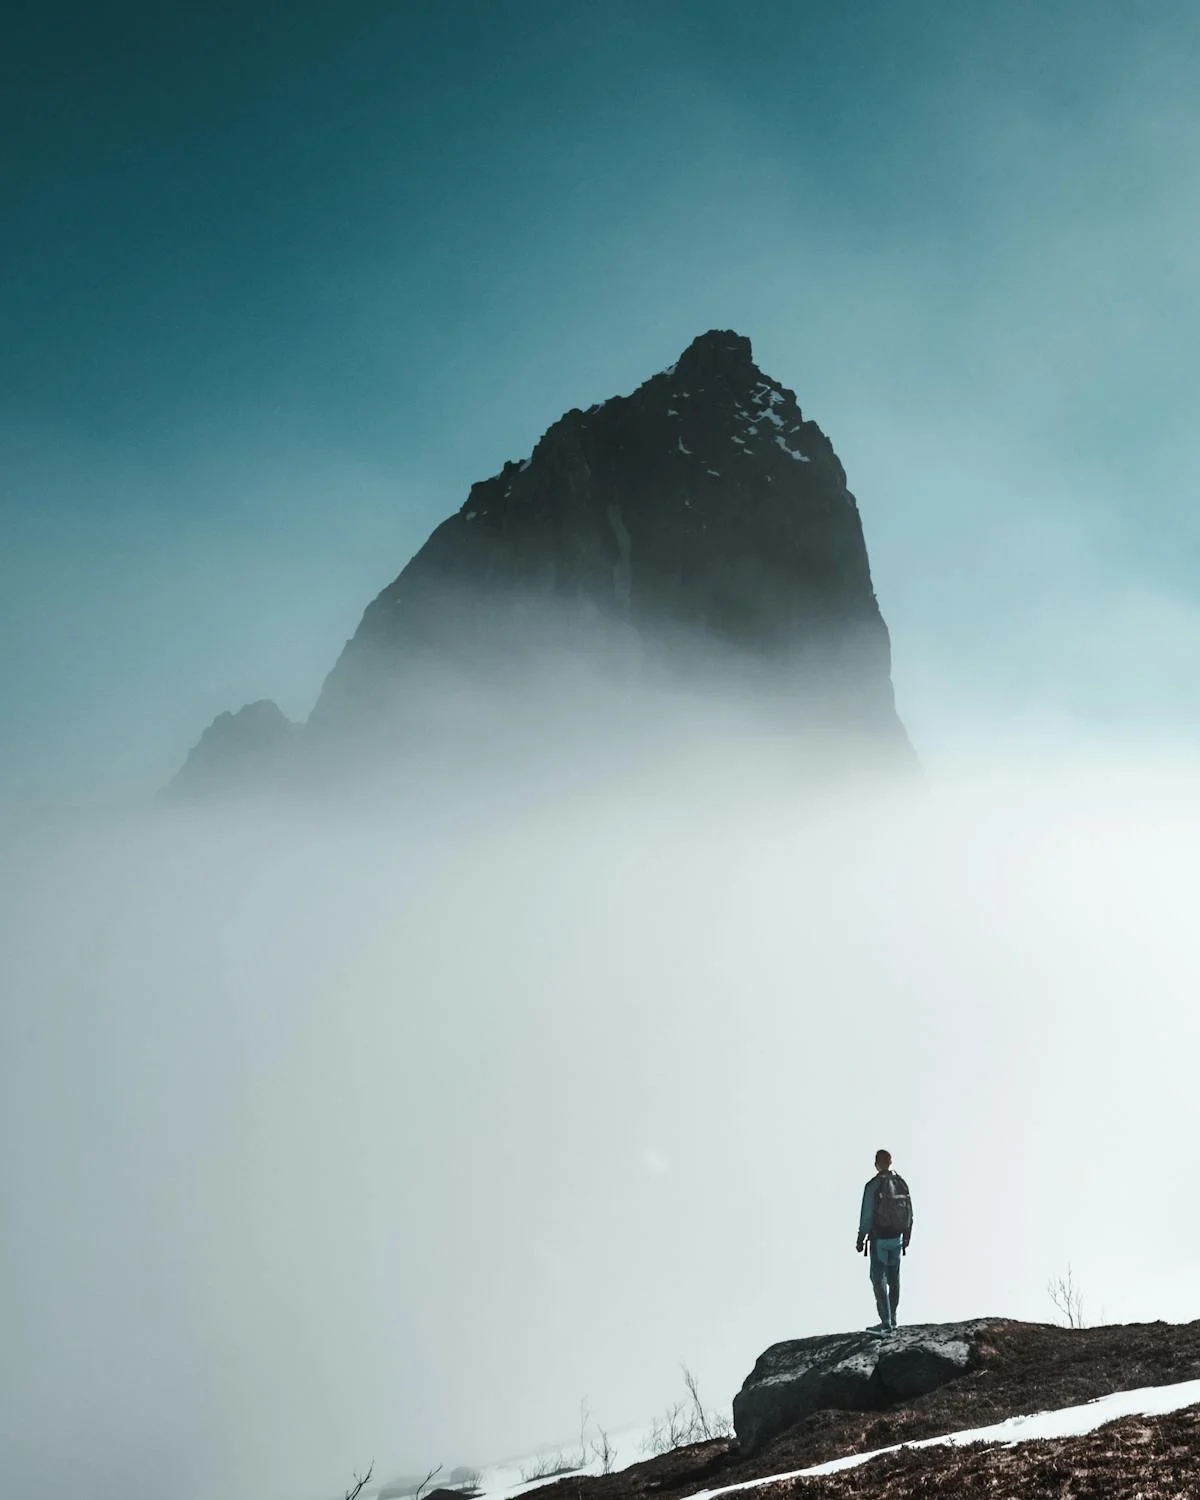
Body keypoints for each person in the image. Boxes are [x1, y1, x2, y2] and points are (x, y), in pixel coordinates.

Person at [855, 1148, 913, 1333]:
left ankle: (886, 1323)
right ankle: (894, 1319)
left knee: (878, 1278)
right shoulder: (901, 1182)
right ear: (891, 1161)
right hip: (897, 1238)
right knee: (894, 1279)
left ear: (876, 1163)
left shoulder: (873, 1185)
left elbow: (866, 1215)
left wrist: (860, 1238)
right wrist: (907, 1235)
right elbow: (910, 1212)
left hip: (879, 1240)